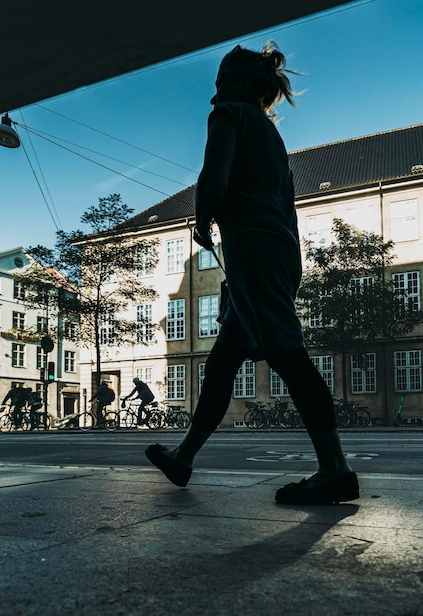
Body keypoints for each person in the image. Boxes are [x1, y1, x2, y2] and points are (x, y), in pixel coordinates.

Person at [145, 42, 358, 505]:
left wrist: (202, 219)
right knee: (224, 362)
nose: (212, 95)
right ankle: (184, 456)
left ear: (235, 83)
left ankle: (335, 468)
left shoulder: (231, 114)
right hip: (277, 248)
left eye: (218, 82)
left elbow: (214, 174)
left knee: (288, 354)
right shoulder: (269, 133)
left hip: (253, 247)